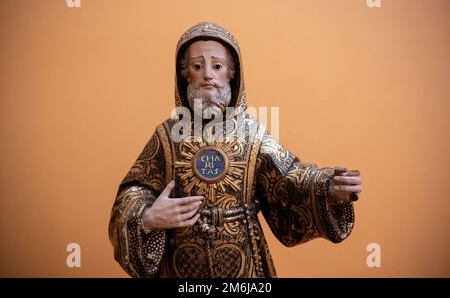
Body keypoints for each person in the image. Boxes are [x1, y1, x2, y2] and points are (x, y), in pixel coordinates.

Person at [108, 22, 362, 278]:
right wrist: (149, 217)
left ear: (231, 74)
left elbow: (288, 181)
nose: (208, 74)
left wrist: (327, 189)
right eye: (198, 66)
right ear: (185, 74)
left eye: (217, 66)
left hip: (244, 262)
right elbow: (133, 191)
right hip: (181, 262)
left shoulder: (252, 135)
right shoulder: (167, 135)